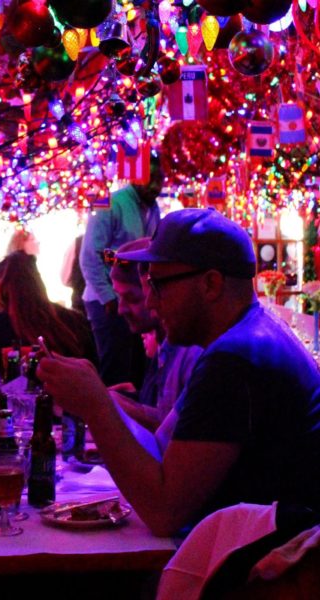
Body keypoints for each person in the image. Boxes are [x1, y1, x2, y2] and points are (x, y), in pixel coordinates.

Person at [38, 208, 320, 537]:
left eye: (158, 285)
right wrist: (99, 398)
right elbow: (163, 450)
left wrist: (95, 404)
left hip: (264, 576)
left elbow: (164, 512)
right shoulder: (249, 335)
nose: (151, 302)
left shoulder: (234, 360)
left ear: (211, 284)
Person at [79, 153, 163, 385]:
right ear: (136, 175)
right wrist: (109, 298)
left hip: (136, 300)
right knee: (115, 370)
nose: (156, 185)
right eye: (151, 178)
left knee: (138, 371)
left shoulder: (153, 209)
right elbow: (91, 255)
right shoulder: (109, 202)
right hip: (105, 301)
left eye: (160, 179)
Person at [108, 238, 203, 430]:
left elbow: (171, 437)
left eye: (132, 298)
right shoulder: (164, 344)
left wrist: (100, 402)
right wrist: (134, 399)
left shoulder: (192, 349)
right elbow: (166, 415)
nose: (121, 309)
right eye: (119, 297)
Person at [0, 250, 96, 364]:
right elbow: (92, 366)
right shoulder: (73, 319)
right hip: (68, 382)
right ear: (37, 279)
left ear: (3, 286)